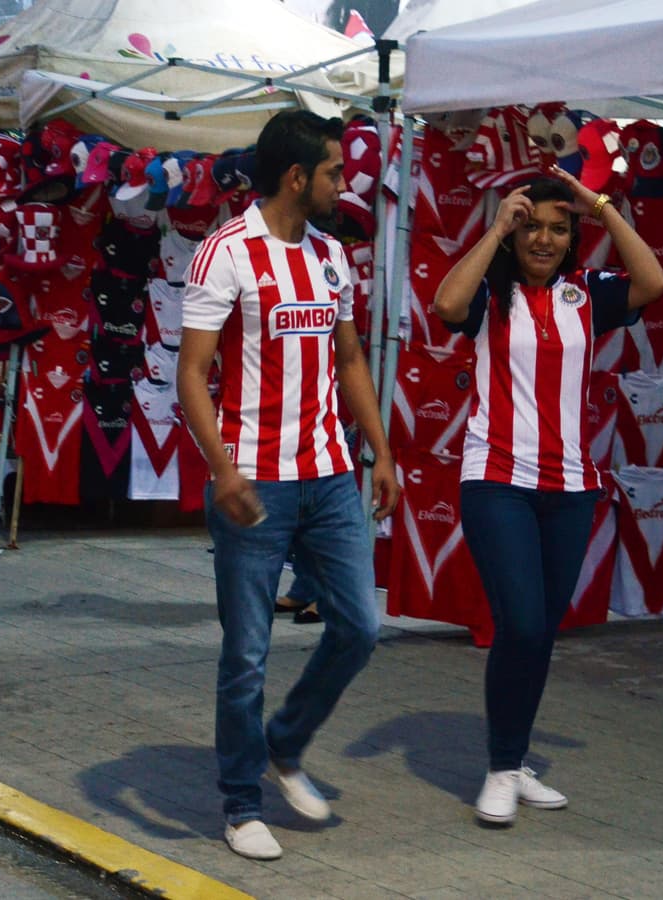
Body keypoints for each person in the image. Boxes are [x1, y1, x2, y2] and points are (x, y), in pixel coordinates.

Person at [177, 110, 401, 861]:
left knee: (360, 627)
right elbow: (192, 375)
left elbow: (350, 364)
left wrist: (381, 453)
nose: (347, 182)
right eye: (336, 170)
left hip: (331, 475)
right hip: (255, 484)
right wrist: (223, 469)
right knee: (246, 652)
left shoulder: (333, 255)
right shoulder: (224, 255)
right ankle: (241, 804)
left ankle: (285, 741)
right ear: (297, 178)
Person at [433, 171, 663, 824]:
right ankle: (503, 767)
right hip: (497, 482)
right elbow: (448, 306)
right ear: (513, 228)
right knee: (523, 624)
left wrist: (598, 206)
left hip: (570, 489)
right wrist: (494, 228)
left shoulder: (587, 294)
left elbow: (654, 282)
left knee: (540, 637)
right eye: (531, 225)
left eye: (559, 229)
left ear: (572, 239)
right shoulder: (489, 291)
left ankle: (513, 759)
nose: (544, 238)